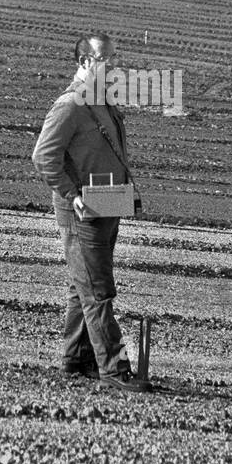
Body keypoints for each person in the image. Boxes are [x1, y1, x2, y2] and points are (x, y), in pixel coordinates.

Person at [31, 33, 149, 393]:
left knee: (81, 285)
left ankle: (76, 357)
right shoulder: (69, 106)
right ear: (84, 63)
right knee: (97, 289)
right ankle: (113, 367)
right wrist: (70, 193)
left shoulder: (101, 100)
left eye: (114, 59)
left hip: (108, 203)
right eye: (105, 60)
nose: (113, 66)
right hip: (82, 211)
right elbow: (43, 156)